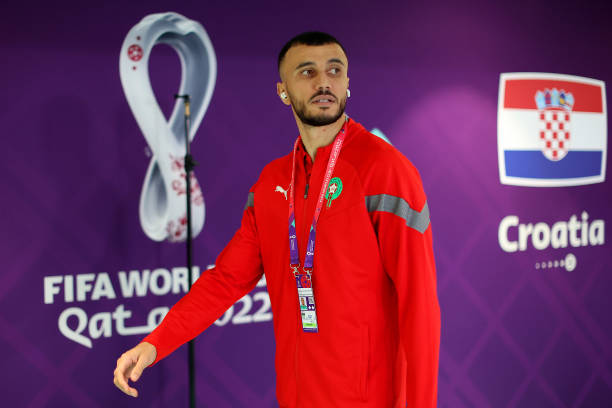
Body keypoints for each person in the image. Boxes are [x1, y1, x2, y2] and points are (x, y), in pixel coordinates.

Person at [114, 31, 440, 407]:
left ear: (348, 83)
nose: (323, 82)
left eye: (335, 71)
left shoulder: (386, 170)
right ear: (283, 91)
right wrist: (155, 343)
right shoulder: (272, 182)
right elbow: (225, 281)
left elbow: (420, 307)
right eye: (307, 72)